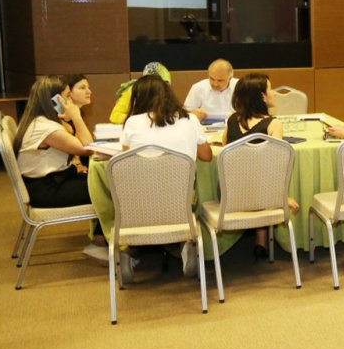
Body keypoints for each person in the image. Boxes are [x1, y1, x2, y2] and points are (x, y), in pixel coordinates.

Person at [121, 74, 213, 277]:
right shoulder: (190, 119)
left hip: (139, 200)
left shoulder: (132, 123)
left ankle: (130, 247)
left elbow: (127, 161)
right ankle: (184, 241)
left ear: (137, 99)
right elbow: (206, 156)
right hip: (181, 198)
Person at [14, 76, 106, 261]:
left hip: (48, 183)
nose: (70, 101)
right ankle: (101, 243)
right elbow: (88, 148)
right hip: (47, 190)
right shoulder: (46, 128)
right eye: (67, 96)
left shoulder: (41, 121)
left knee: (102, 180)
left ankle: (102, 238)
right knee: (109, 188)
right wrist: (76, 117)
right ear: (54, 101)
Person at [223, 72, 298, 260]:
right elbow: (276, 164)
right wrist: (281, 196)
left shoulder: (231, 120)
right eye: (270, 89)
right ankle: (261, 241)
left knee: (251, 179)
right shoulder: (273, 124)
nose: (274, 93)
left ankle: (261, 241)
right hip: (262, 194)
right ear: (262, 96)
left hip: (230, 193)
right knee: (261, 182)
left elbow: (226, 153)